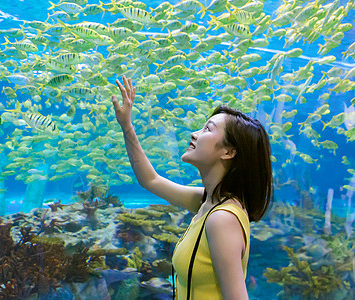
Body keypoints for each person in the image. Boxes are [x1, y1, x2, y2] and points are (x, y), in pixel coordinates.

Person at [111, 75, 272, 300]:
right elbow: (151, 180)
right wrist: (127, 126)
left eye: (207, 129)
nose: (194, 134)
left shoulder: (222, 219)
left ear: (229, 152)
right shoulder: (208, 201)